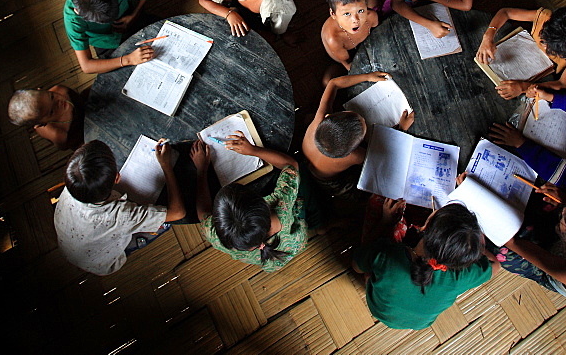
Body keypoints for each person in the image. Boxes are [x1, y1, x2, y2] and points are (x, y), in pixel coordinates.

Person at [352, 198, 498, 330]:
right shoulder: (459, 277)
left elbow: (356, 267)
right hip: (420, 323)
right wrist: (466, 246)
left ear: (424, 226)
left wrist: (385, 222)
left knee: (376, 204)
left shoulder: (387, 255)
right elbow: (495, 264)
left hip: (379, 309)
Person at [53, 140, 185, 276]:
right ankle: (136, 241)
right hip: (101, 262)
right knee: (165, 223)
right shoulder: (120, 215)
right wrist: (166, 165)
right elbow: (178, 213)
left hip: (69, 246)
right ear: (117, 178)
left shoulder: (75, 183)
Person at [195, 134, 324, 272]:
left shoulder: (215, 236)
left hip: (269, 261)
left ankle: (320, 223)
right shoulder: (280, 206)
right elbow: (291, 165)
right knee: (301, 173)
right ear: (263, 202)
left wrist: (201, 170)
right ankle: (319, 223)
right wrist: (253, 150)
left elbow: (203, 212)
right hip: (294, 242)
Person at [302, 72, 414, 194]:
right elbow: (384, 158)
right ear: (355, 148)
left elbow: (333, 83)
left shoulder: (319, 119)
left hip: (306, 160)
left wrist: (367, 77)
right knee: (354, 192)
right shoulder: (355, 156)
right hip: (327, 181)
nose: (364, 118)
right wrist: (402, 129)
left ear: (328, 116)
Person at [474, 3, 566, 98]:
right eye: (544, 39)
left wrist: (523, 87)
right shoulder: (546, 16)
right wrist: (488, 37)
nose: (544, 46)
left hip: (543, 71)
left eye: (553, 50)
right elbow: (506, 12)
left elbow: (564, 84)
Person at [65, 0, 155, 74]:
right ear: (78, 12)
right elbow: (86, 66)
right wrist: (128, 60)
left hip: (130, 16)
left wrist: (134, 15)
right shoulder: (72, 20)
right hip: (105, 41)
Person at [321, 0, 380, 72]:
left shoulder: (371, 16)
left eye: (360, 11)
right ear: (333, 14)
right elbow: (348, 64)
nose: (356, 20)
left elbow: (378, 33)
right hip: (346, 55)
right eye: (347, 14)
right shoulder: (334, 39)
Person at [8, 85, 84, 150]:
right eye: (51, 112)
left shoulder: (60, 90)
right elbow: (69, 146)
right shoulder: (58, 134)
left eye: (52, 96)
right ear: (42, 124)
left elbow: (80, 99)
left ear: (41, 90)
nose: (59, 103)